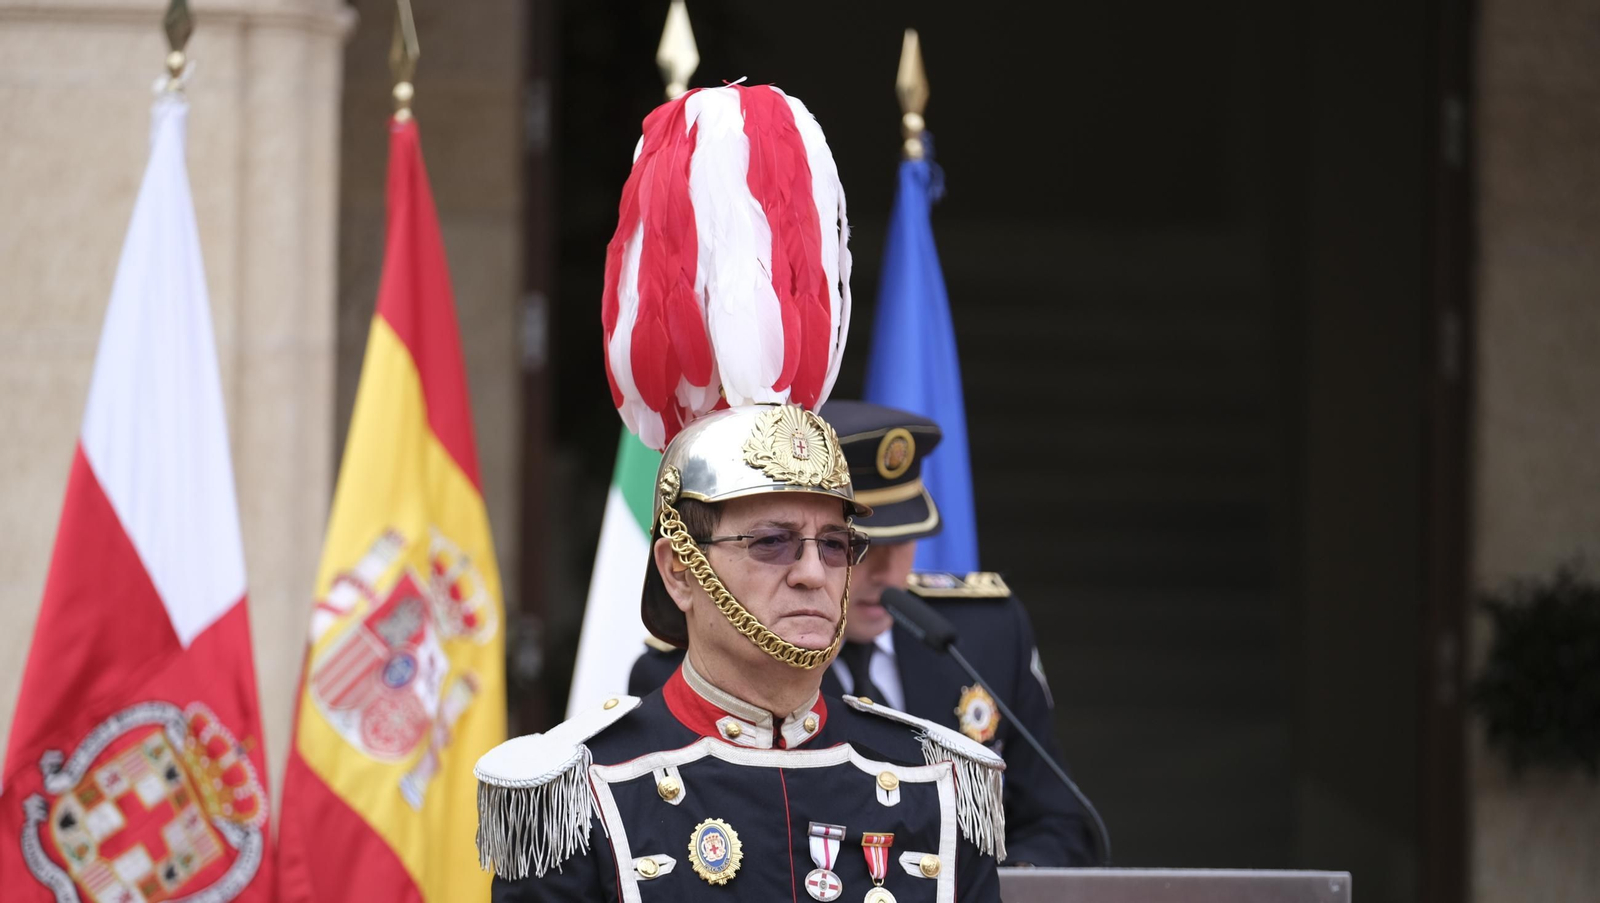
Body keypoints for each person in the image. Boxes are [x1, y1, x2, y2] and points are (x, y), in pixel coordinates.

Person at [475, 83, 1005, 902]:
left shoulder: (935, 786)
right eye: (769, 540)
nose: (813, 572)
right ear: (679, 569)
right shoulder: (581, 794)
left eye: (835, 543)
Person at [629, 400, 1099, 866]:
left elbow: (1060, 820)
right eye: (775, 541)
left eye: (837, 544)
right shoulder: (697, 665)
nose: (888, 573)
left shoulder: (981, 636)